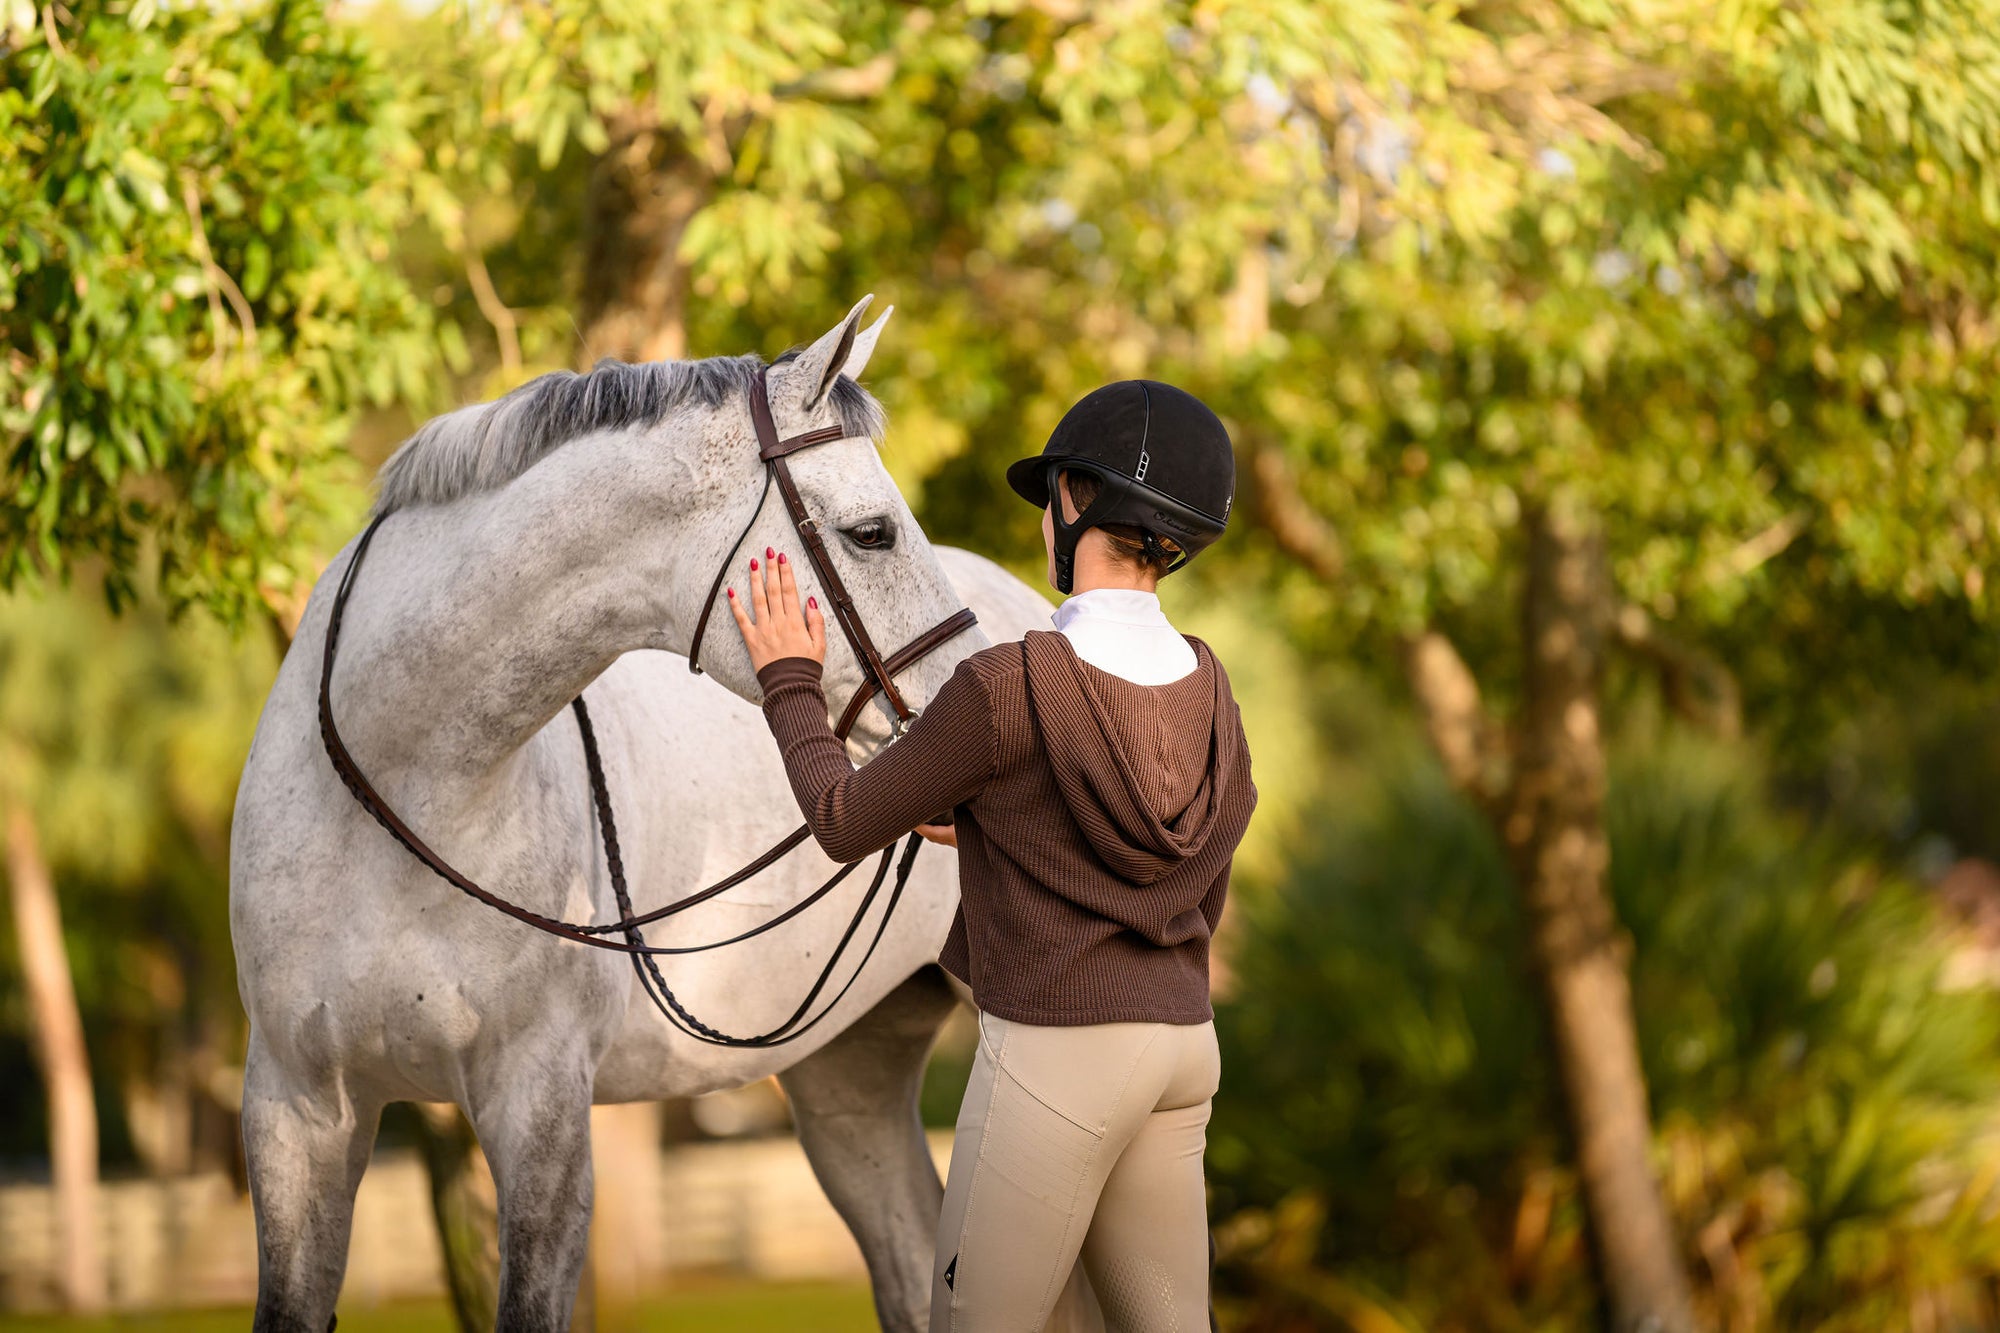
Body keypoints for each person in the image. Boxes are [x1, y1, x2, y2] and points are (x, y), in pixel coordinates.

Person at [727, 379, 1256, 1332]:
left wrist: (789, 681)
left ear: (1080, 501)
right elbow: (1181, 874)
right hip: (1182, 1050)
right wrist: (990, 822)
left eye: (1052, 492)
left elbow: (844, 819)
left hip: (1059, 1060)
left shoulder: (1006, 684)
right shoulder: (1213, 693)